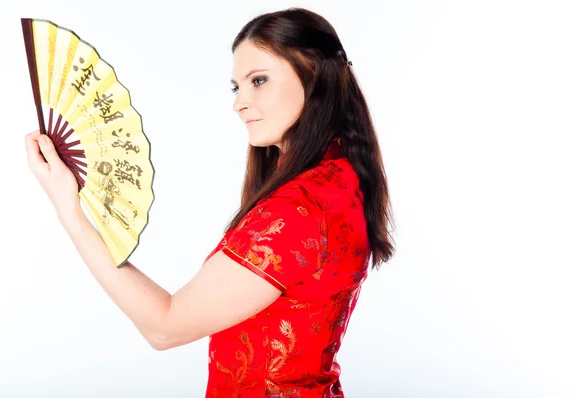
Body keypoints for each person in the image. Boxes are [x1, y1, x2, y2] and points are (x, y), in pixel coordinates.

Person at [24, 7, 395, 397]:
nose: (239, 103)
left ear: (316, 77)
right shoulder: (341, 178)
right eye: (237, 87)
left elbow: (164, 327)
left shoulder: (297, 210)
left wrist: (69, 210)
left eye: (259, 80)